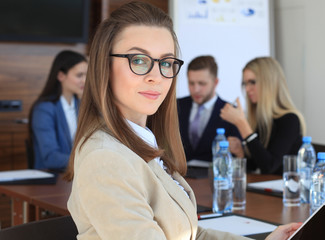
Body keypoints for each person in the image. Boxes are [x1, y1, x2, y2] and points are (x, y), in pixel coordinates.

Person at [65, 2, 301, 239]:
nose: (156, 76)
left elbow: (190, 234)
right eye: (138, 60)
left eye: (166, 63)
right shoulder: (106, 159)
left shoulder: (143, 143)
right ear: (103, 67)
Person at [220, 57, 306, 175]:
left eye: (252, 82)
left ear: (269, 83)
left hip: (287, 190)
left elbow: (269, 166)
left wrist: (242, 124)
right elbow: (257, 165)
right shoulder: (261, 120)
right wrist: (241, 153)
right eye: (245, 83)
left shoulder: (290, 120)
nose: (247, 89)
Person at [29, 50, 87, 171]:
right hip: (54, 180)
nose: (85, 80)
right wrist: (87, 160)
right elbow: (51, 157)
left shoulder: (80, 105)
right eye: (79, 75)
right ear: (61, 76)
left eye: (86, 75)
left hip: (76, 176)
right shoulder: (44, 109)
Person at [177, 55, 240, 162]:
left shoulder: (231, 112)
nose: (196, 89)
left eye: (202, 84)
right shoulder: (176, 106)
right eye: (191, 83)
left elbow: (236, 155)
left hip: (214, 176)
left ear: (215, 83)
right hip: (178, 175)